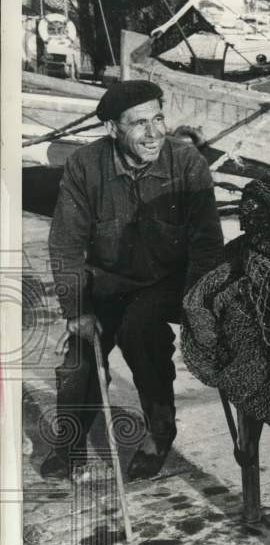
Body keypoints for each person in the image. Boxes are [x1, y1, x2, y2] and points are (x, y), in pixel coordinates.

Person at [44, 81, 225, 480]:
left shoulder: (186, 161)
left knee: (140, 331)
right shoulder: (85, 165)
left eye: (158, 118)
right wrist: (77, 311)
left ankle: (159, 434)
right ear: (112, 129)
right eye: (139, 123)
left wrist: (198, 304)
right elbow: (66, 244)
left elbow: (208, 245)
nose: (154, 132)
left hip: (166, 282)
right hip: (107, 281)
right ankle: (70, 446)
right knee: (80, 359)